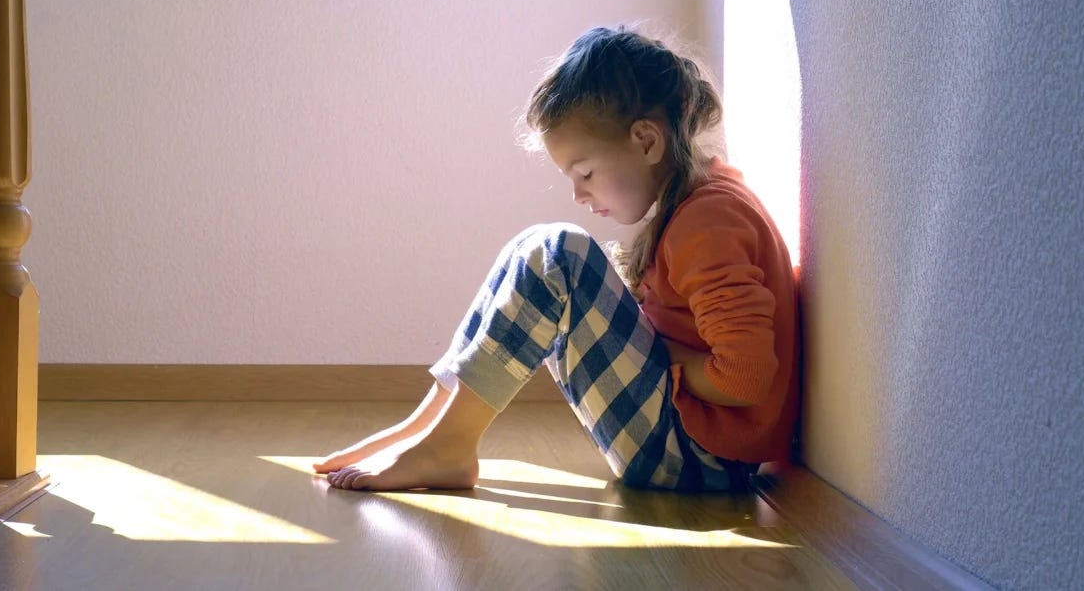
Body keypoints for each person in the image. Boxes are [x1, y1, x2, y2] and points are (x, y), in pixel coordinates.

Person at [315, 25, 799, 492]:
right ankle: (427, 429)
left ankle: (449, 445)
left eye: (585, 173)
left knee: (559, 253)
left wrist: (662, 353)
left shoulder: (709, 221)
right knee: (532, 247)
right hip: (688, 442)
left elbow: (744, 381)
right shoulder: (699, 208)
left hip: (702, 457)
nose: (578, 194)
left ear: (647, 141)